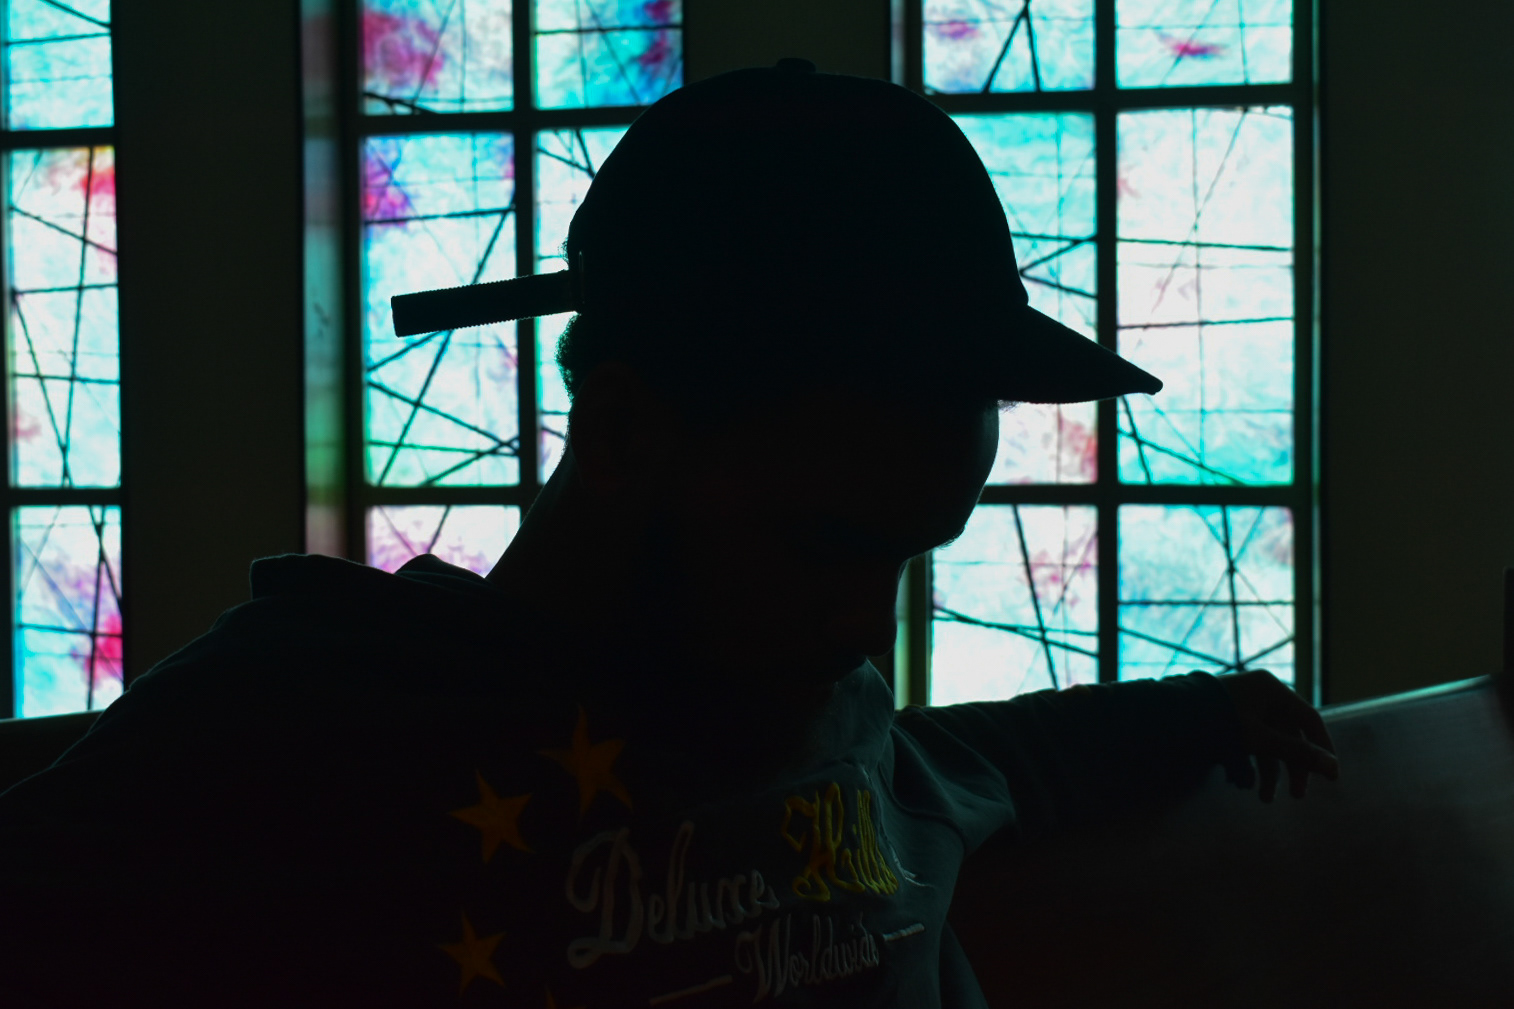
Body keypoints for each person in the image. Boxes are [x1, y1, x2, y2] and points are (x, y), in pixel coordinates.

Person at [0, 61, 1338, 1008]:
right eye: (825, 546)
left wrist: (1198, 713)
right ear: (628, 431)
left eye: (906, 552)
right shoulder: (302, 726)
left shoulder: (823, 712)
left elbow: (968, 764)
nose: (863, 631)